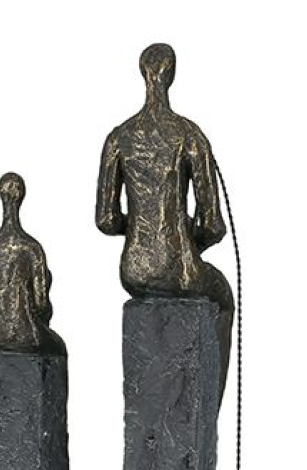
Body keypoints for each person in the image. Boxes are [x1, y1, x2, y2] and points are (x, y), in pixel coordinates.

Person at [96, 43, 235, 332]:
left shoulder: (118, 138)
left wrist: (138, 224)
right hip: (179, 267)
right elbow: (213, 225)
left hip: (134, 270)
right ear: (171, 75)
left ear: (142, 73)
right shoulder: (189, 134)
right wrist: (188, 235)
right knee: (223, 296)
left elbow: (106, 220)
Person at [0, 173, 66, 356]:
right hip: (29, 333)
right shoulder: (31, 248)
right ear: (22, 196)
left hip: (0, 335)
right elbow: (40, 304)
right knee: (59, 349)